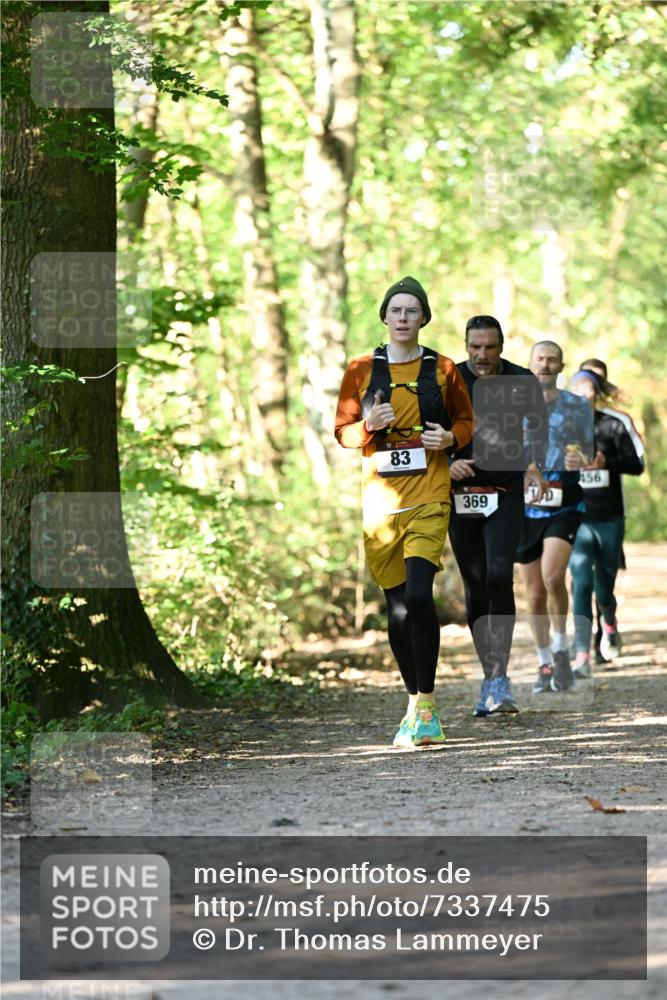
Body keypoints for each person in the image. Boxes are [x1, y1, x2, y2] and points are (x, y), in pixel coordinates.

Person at [335, 277, 473, 748]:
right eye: (396, 310)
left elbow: (465, 422)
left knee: (418, 596)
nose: (403, 317)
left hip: (431, 495)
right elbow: (343, 432)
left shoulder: (444, 368)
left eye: (412, 310)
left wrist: (450, 439)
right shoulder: (360, 369)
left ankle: (428, 704)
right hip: (381, 503)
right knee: (396, 609)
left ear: (424, 317)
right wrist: (367, 426)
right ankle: (413, 701)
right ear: (384, 316)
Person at [448, 316, 547, 716]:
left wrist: (536, 466)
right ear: (467, 345)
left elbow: (537, 429)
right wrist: (448, 462)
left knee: (498, 574)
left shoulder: (523, 381)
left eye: (489, 347)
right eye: (475, 347)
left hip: (506, 492)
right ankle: (489, 676)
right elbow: (430, 428)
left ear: (501, 346)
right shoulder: (448, 379)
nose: (482, 355)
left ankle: (500, 679)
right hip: (462, 493)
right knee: (474, 584)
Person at [515, 341, 594, 693]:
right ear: (530, 364)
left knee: (551, 577)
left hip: (564, 504)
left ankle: (562, 648)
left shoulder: (577, 405)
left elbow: (590, 451)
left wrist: (582, 460)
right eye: (540, 359)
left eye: (552, 360)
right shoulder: (512, 405)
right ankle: (545, 662)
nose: (545, 365)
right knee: (533, 594)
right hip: (523, 508)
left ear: (561, 366)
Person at [567, 369, 644, 676]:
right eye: (577, 391)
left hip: (610, 516)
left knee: (604, 584)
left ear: (596, 394)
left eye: (588, 391)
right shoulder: (558, 427)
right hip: (576, 516)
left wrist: (606, 462)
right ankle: (582, 653)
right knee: (581, 580)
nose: (583, 397)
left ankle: (608, 621)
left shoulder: (613, 424)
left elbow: (637, 465)